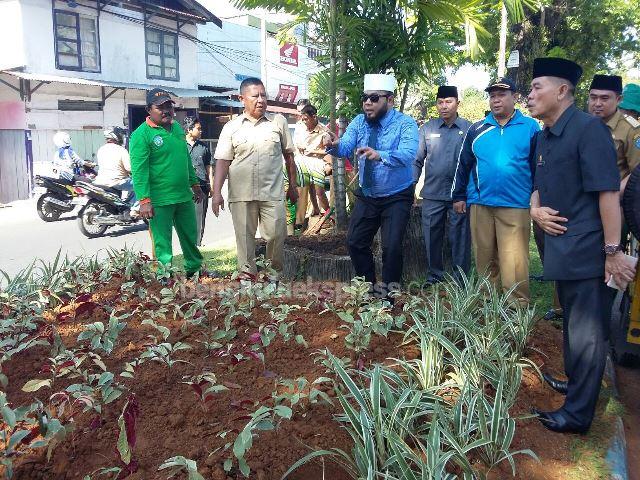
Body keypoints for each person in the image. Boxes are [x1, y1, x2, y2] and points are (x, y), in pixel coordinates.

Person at [527, 57, 636, 433]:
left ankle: (577, 416)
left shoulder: (590, 131)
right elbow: (537, 182)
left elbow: (608, 194)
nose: (530, 95)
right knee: (573, 325)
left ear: (562, 91)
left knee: (588, 334)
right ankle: (575, 385)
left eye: (536, 87)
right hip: (561, 249)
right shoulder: (544, 133)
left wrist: (612, 253)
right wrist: (534, 209)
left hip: (589, 250)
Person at [323, 73, 418, 299]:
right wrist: (333, 145)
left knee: (391, 247)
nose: (367, 102)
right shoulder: (358, 122)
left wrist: (380, 155)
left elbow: (407, 155)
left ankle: (389, 295)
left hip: (396, 195)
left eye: (374, 98)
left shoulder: (405, 124)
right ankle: (370, 289)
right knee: (355, 242)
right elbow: (345, 147)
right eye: (365, 98)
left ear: (390, 100)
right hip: (368, 195)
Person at [451, 77, 540, 304]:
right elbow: (464, 164)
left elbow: (537, 166)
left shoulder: (530, 127)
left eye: (502, 94)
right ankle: (487, 306)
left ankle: (517, 308)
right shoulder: (477, 129)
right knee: (484, 257)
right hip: (481, 202)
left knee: (515, 261)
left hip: (516, 203)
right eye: (492, 95)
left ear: (515, 97)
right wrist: (459, 195)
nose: (496, 99)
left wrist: (536, 196)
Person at [212, 77, 298, 276]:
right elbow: (222, 162)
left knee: (276, 236)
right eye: (255, 96)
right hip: (241, 194)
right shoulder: (231, 127)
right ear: (242, 98)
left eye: (263, 95)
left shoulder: (278, 122)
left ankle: (272, 277)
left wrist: (293, 186)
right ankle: (248, 280)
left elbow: (289, 156)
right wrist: (216, 193)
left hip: (272, 192)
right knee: (244, 240)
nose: (261, 100)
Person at [129, 88, 204, 277]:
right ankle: (164, 280)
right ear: (148, 110)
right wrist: (144, 200)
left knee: (190, 237)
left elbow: (185, 158)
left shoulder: (177, 128)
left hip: (184, 196)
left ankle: (194, 271)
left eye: (169, 105)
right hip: (159, 200)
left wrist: (194, 184)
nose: (166, 111)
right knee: (163, 245)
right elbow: (139, 171)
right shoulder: (141, 135)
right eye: (160, 107)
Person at [414, 85, 472, 285]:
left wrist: (465, 193)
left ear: (457, 103)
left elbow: (474, 162)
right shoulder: (427, 129)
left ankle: (461, 279)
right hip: (432, 193)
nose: (444, 106)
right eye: (440, 102)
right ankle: (434, 275)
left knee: (460, 238)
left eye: (449, 102)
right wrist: (411, 186)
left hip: (459, 195)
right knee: (431, 236)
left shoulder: (469, 129)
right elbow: (417, 160)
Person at [588, 75, 640, 192]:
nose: (597, 103)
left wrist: (613, 198)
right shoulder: (582, 124)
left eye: (604, 98)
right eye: (593, 97)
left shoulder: (631, 130)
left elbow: (637, 174)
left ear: (619, 100)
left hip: (615, 202)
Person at [294, 104, 331, 230]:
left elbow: (329, 151)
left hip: (317, 164)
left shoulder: (324, 131)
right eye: (302, 119)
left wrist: (313, 152)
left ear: (314, 117)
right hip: (303, 163)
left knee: (320, 192)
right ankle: (315, 210)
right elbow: (297, 144)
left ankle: (329, 214)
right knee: (308, 189)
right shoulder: (301, 128)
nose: (304, 122)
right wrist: (300, 148)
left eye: (306, 119)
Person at [183, 116, 213, 246]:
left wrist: (211, 185)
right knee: (184, 218)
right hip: (184, 187)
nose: (201, 131)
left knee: (200, 218)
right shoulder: (179, 145)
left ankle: (197, 244)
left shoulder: (203, 147)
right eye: (198, 129)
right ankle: (186, 243)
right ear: (189, 130)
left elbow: (209, 167)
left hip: (201, 187)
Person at [94, 126, 136, 207]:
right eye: (121, 135)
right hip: (116, 182)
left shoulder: (101, 149)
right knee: (140, 184)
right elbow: (129, 168)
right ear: (116, 136)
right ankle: (134, 209)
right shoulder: (121, 150)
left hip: (100, 181)